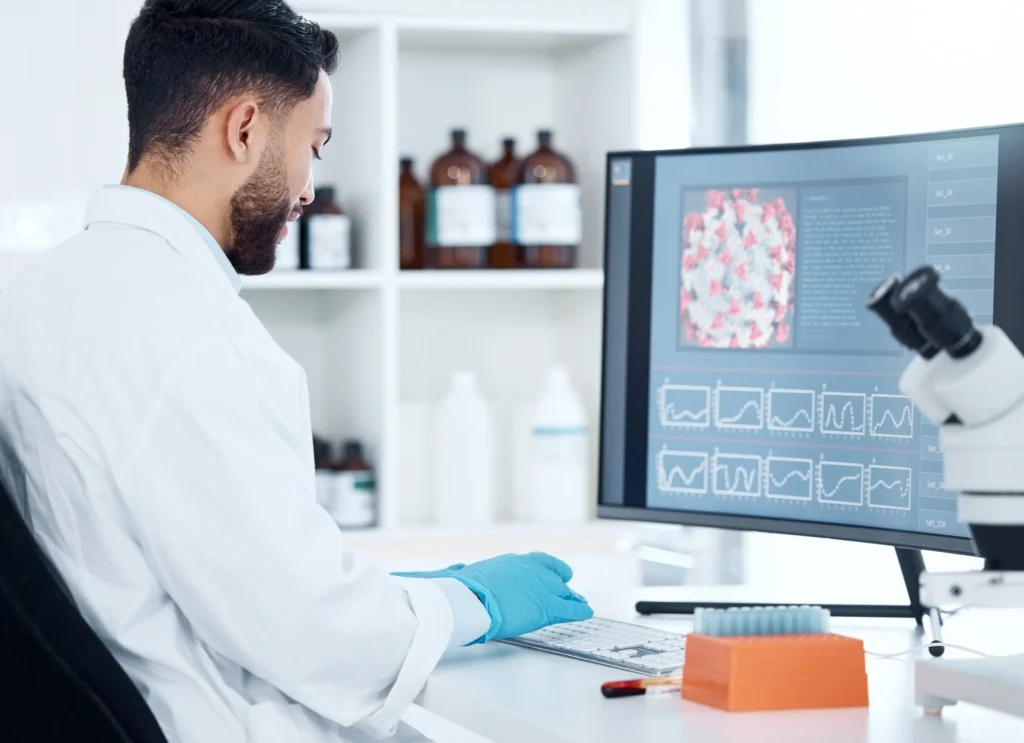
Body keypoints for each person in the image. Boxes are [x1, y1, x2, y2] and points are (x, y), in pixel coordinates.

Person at [0, 1, 592, 741]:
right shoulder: (182, 325)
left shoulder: (42, 291)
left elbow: (214, 563)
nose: (310, 188)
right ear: (245, 129)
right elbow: (310, 630)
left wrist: (417, 596)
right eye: (315, 145)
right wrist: (473, 601)